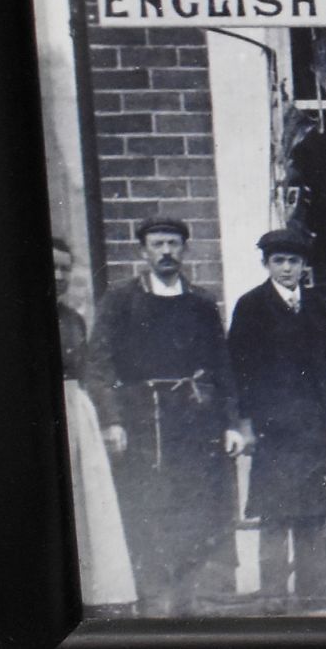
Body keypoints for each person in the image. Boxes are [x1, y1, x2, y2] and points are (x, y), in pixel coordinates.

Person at [89, 218, 244, 615]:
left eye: (173, 244)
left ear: (185, 250)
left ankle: (187, 599)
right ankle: (154, 603)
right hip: (143, 423)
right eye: (157, 245)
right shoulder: (121, 300)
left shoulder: (201, 302)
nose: (166, 253)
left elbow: (222, 365)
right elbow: (100, 365)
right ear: (143, 251)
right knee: (151, 506)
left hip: (196, 421)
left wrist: (231, 422)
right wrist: (112, 421)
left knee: (197, 507)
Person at [228, 227, 326, 609]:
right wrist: (245, 422)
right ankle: (274, 593)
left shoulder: (314, 306)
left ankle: (315, 591)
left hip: (312, 426)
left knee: (312, 511)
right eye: (278, 260)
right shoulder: (251, 306)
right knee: (275, 512)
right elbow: (238, 369)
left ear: (303, 265)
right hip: (273, 426)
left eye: (293, 261)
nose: (286, 268)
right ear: (266, 264)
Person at [53, 237, 135, 609]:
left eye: (64, 269)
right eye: (51, 267)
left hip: (75, 410)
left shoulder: (72, 320)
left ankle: (90, 592)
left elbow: (90, 372)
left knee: (85, 501)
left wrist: (108, 419)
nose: (58, 276)